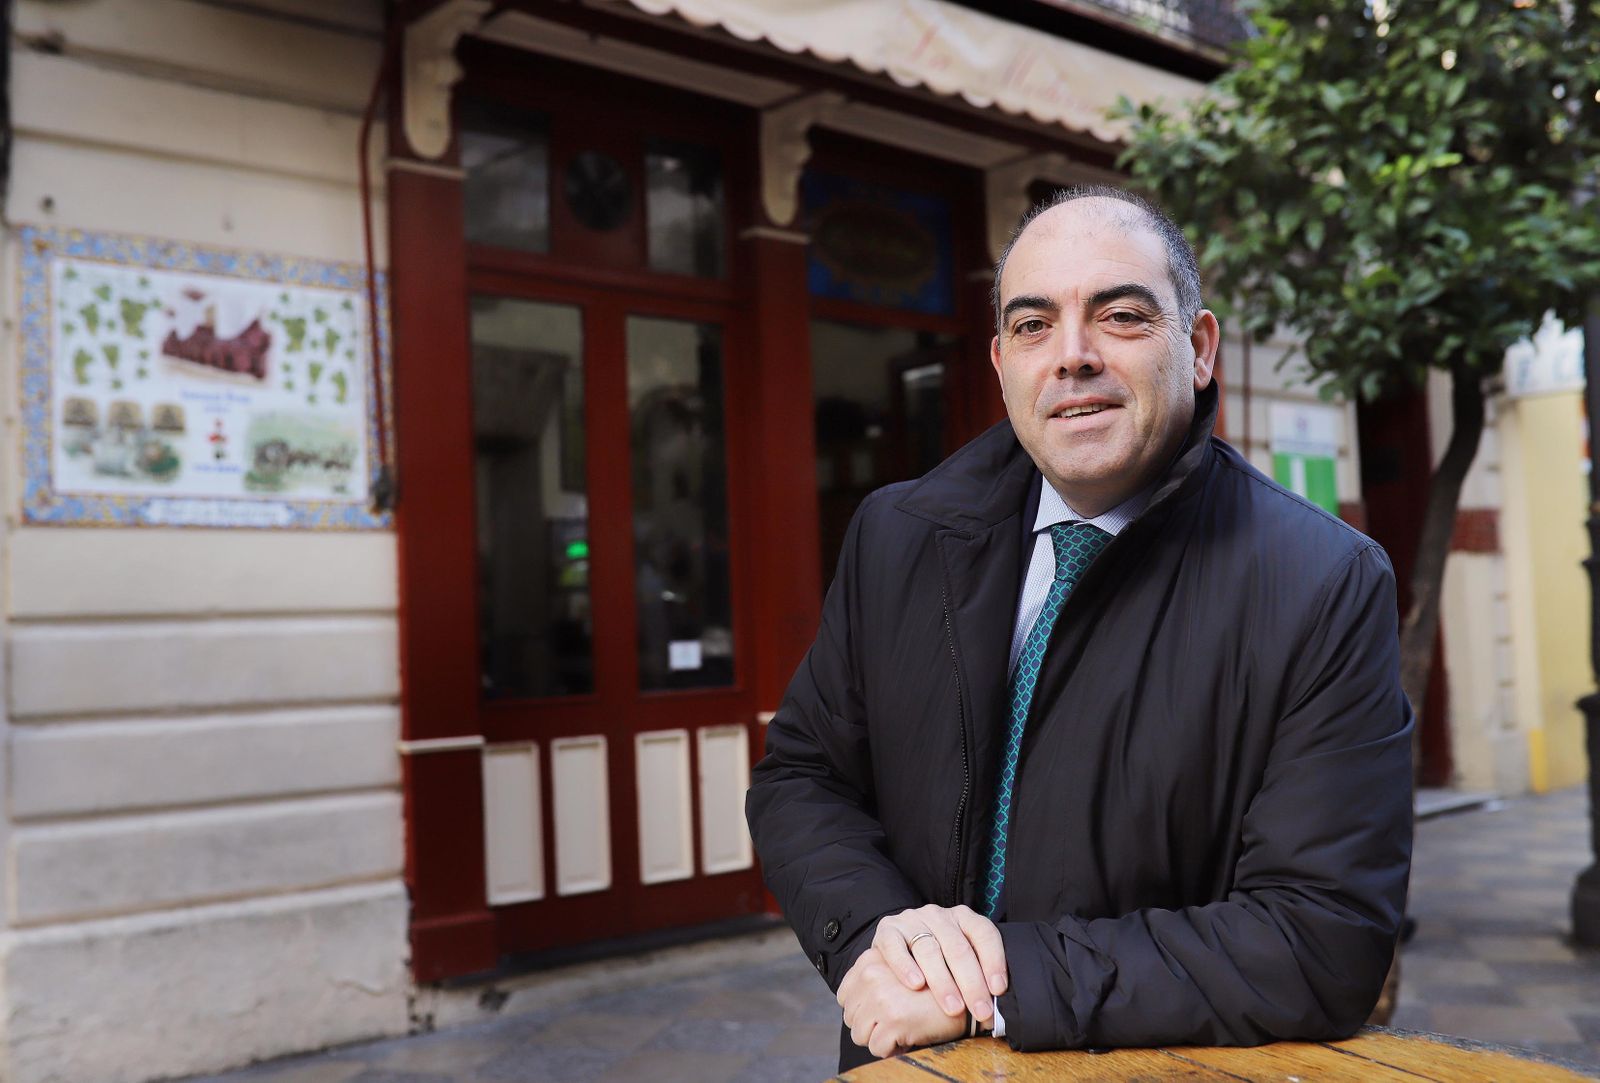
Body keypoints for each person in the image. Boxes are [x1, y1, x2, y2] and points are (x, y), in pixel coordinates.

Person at [744, 187, 1413, 1071]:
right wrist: (884, 942)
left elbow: (1320, 937)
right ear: (1000, 362)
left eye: (1122, 315)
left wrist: (1004, 984)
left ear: (1200, 347)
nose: (1071, 356)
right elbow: (803, 777)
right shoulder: (899, 537)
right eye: (1032, 325)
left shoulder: (1322, 583)